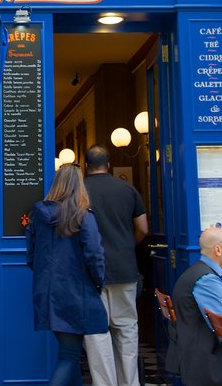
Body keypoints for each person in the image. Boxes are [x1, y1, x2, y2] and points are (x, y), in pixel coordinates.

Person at [27, 163, 108, 386]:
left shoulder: (39, 215)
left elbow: (31, 256)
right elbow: (94, 255)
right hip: (75, 293)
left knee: (68, 351)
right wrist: (98, 283)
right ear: (78, 185)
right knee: (70, 356)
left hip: (46, 293)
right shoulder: (83, 215)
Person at [82, 144, 149, 386]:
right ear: (108, 165)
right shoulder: (127, 189)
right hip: (125, 269)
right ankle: (130, 383)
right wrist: (127, 246)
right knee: (127, 330)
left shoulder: (80, 191)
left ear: (86, 166)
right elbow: (143, 228)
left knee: (97, 333)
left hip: (91, 272)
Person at [166, 227, 222, 386]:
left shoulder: (195, 272)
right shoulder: (207, 280)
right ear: (218, 250)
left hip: (189, 353)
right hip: (204, 361)